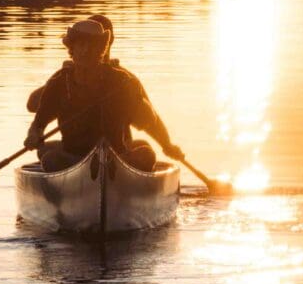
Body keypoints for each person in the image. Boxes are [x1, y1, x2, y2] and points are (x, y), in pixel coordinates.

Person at [24, 18, 184, 173]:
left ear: (101, 49)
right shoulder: (58, 82)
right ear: (72, 49)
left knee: (147, 155)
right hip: (74, 158)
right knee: (50, 159)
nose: (86, 51)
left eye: (92, 46)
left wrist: (166, 144)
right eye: (81, 45)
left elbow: (149, 120)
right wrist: (33, 135)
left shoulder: (122, 80)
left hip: (117, 158)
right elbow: (38, 123)